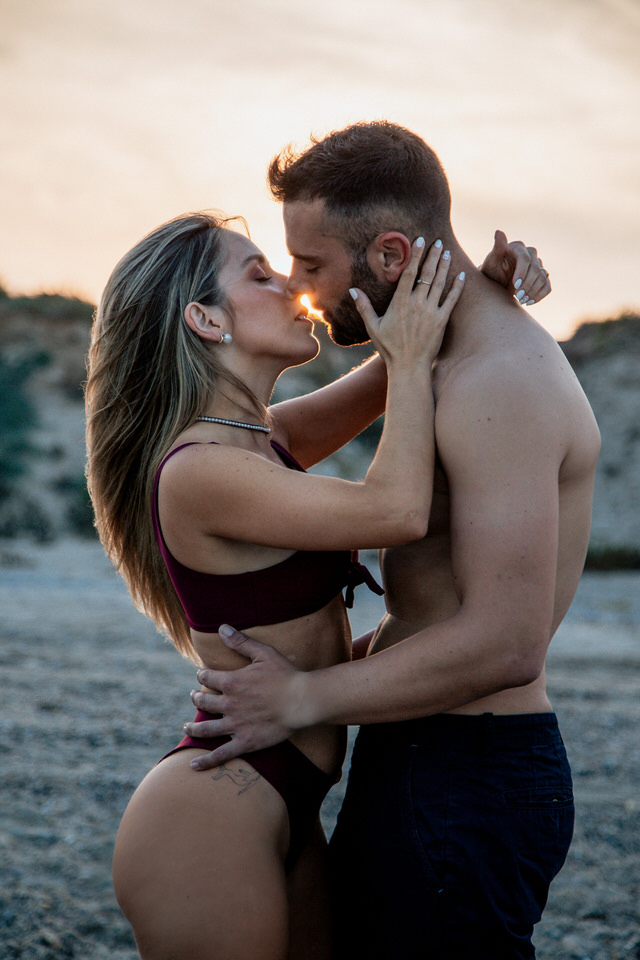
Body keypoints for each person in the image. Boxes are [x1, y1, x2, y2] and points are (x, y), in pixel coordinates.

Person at [181, 122, 601, 959]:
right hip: (423, 749)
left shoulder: (499, 384)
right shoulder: (442, 365)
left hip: (469, 770)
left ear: (392, 255)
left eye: (311, 265)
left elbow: (508, 643)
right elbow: (263, 453)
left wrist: (300, 699)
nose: (301, 289)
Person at [85, 207, 476, 960]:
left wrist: (477, 283)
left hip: (282, 798)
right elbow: (395, 507)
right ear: (204, 318)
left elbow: (393, 368)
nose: (293, 287)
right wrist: (418, 357)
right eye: (259, 274)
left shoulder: (265, 442)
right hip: (210, 817)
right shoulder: (200, 469)